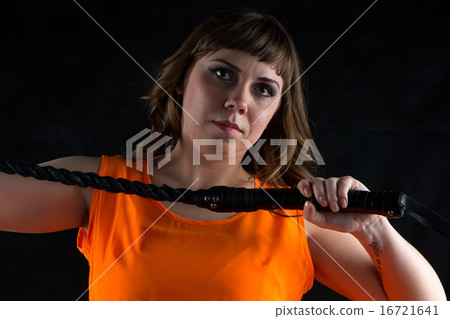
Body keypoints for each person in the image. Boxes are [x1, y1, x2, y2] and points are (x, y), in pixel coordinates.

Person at [0, 9, 446, 301]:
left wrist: (374, 229)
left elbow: (425, 312)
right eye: (221, 73)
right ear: (180, 80)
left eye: (264, 89)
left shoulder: (296, 218)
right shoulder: (97, 188)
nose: (238, 100)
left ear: (274, 112)